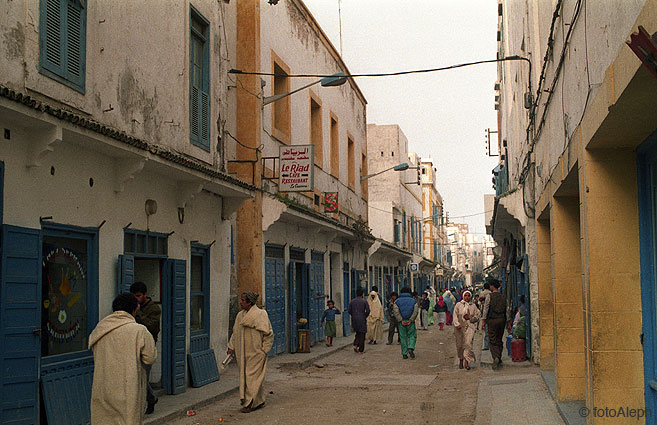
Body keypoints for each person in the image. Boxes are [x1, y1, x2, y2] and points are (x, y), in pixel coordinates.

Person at [89, 293, 156, 425]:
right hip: (128, 390)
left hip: (103, 389)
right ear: (135, 308)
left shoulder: (100, 329)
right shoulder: (139, 331)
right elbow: (150, 358)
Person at [227, 292, 274, 413]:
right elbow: (235, 333)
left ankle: (250, 403)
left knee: (252, 377)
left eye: (243, 300)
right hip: (242, 352)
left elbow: (268, 334)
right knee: (247, 377)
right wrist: (231, 347)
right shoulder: (240, 316)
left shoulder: (261, 314)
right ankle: (259, 400)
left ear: (250, 302)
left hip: (256, 352)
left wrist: (264, 350)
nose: (241, 302)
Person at [130, 281, 161, 414]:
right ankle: (150, 398)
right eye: (134, 296)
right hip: (133, 344)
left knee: (144, 377)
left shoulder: (153, 309)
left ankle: (149, 400)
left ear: (145, 295)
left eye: (138, 296)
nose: (136, 299)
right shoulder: (131, 306)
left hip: (148, 345)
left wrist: (137, 314)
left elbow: (152, 327)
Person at [481, 279, 513, 370]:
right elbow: (507, 311)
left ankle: (496, 357)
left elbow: (486, 309)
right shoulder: (503, 297)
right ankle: (498, 356)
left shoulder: (489, 297)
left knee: (493, 339)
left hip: (492, 320)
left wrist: (483, 321)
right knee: (499, 338)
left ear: (492, 286)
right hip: (502, 320)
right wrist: (509, 322)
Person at [453, 290, 481, 370]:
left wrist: (470, 318)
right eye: (466, 295)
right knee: (460, 345)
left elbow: (478, 316)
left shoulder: (473, 306)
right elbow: (455, 315)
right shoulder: (458, 305)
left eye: (469, 295)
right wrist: (457, 324)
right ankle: (461, 360)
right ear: (463, 296)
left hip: (470, 327)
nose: (467, 297)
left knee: (468, 344)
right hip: (460, 328)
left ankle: (467, 362)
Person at [393, 287, 419, 359]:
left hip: (401, 322)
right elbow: (415, 311)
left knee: (403, 337)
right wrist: (411, 320)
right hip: (411, 322)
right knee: (412, 336)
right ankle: (410, 347)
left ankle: (404, 353)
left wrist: (400, 320)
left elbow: (396, 311)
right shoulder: (413, 301)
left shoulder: (397, 302)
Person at [348, 287, 370, 354]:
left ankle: (355, 344)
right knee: (362, 334)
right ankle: (360, 350)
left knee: (357, 333)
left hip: (354, 319)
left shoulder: (352, 301)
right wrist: (364, 316)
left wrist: (354, 315)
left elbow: (349, 311)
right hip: (362, 319)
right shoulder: (364, 301)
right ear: (362, 294)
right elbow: (368, 311)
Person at [478, 283, 491, 350]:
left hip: (485, 311)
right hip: (491, 312)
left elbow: (479, 302)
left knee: (486, 330)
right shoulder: (491, 293)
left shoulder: (482, 293)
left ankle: (486, 345)